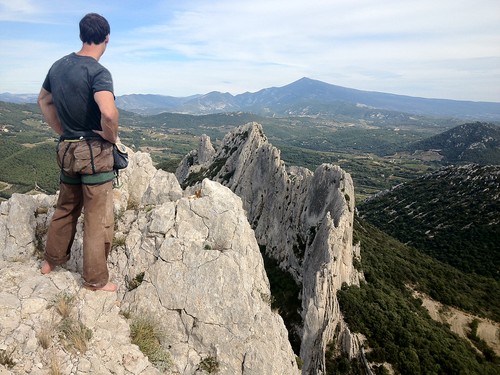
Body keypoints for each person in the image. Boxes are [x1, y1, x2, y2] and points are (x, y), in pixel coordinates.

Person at [37, 13, 119, 292]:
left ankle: (51, 261)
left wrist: (62, 129)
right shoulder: (98, 72)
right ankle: (95, 280)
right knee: (98, 218)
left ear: (82, 36)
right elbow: (107, 112)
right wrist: (111, 136)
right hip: (94, 154)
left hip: (68, 149)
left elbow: (44, 99)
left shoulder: (58, 66)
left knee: (66, 207)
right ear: (106, 38)